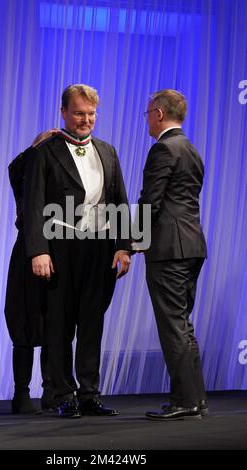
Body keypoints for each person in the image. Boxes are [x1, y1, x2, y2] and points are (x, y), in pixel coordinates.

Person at [23, 84, 132, 418]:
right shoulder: (45, 152)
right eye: (80, 113)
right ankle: (61, 394)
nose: (87, 120)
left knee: (91, 322)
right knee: (58, 324)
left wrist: (125, 247)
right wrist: (38, 251)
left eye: (92, 114)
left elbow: (120, 201)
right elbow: (33, 204)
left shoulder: (108, 151)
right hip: (60, 245)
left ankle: (88, 394)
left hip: (99, 247)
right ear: (64, 113)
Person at [138, 89, 208, 421]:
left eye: (148, 112)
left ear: (159, 113)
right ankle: (196, 398)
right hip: (192, 246)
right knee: (182, 324)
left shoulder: (163, 149)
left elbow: (150, 203)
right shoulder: (191, 149)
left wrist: (129, 241)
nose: (147, 119)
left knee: (173, 326)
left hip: (169, 249)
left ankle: (185, 401)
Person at [5, 148, 54, 414]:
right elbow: (15, 169)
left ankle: (51, 390)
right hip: (27, 249)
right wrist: (38, 146)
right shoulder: (25, 176)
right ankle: (21, 393)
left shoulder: (58, 177)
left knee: (55, 319)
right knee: (22, 317)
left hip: (58, 249)